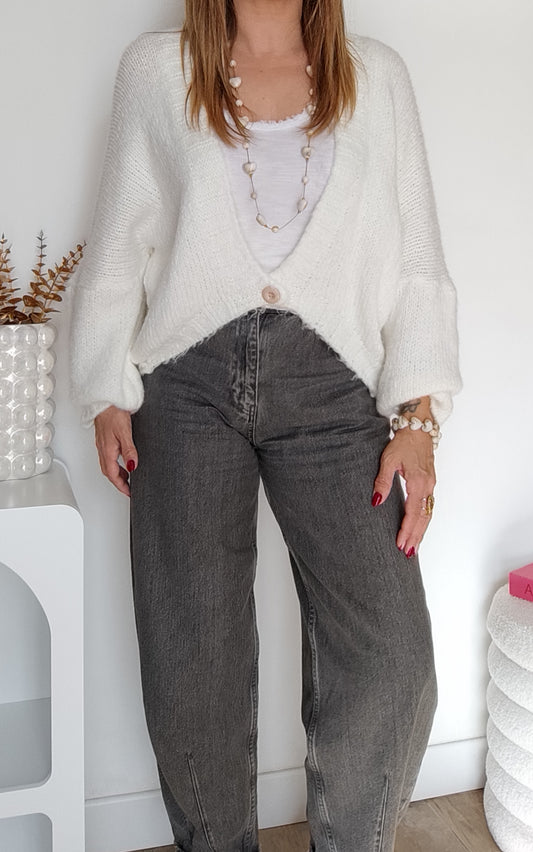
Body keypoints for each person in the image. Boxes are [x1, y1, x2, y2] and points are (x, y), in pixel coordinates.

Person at [69, 1, 462, 850]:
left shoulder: (376, 76)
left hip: (334, 386)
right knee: (192, 655)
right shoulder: (156, 69)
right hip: (184, 383)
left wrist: (417, 416)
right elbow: (119, 240)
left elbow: (416, 260)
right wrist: (105, 390)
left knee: (391, 657)